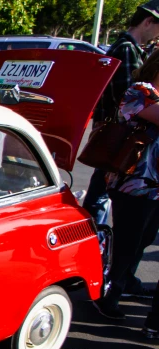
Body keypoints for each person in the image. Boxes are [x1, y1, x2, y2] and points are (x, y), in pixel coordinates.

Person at [84, 1, 159, 297]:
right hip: (128, 163)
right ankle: (105, 279)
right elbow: (128, 101)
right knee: (104, 212)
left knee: (136, 233)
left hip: (133, 165)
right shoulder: (128, 54)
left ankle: (118, 278)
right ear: (149, 22)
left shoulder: (125, 48)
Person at [93, 51, 159, 322]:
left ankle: (122, 283)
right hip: (134, 182)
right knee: (128, 241)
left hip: (154, 186)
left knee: (142, 240)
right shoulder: (140, 91)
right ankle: (108, 294)